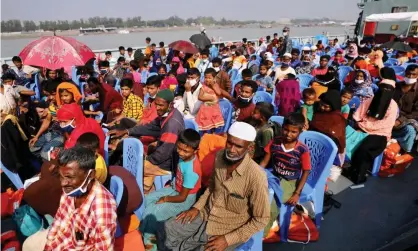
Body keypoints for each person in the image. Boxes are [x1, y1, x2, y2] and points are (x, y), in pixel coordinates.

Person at [157, 122, 270, 250]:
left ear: (249, 147)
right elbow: (211, 187)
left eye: (238, 146)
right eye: (230, 143)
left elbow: (261, 219)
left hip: (228, 229)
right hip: (206, 214)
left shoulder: (256, 177)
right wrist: (196, 207)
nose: (232, 150)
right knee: (166, 228)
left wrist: (228, 240)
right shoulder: (220, 156)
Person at [23, 146, 117, 251]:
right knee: (27, 244)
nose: (63, 183)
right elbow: (59, 220)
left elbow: (103, 248)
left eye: (69, 177)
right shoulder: (71, 190)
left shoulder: (102, 211)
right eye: (61, 176)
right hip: (65, 238)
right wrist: (49, 246)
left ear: (90, 175)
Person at [109, 89, 185, 194]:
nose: (157, 108)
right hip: (162, 154)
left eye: (161, 105)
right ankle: (144, 191)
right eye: (156, 104)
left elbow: (164, 153)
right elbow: (150, 127)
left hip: (166, 163)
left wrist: (147, 159)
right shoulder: (166, 114)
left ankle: (132, 194)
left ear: (170, 104)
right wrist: (127, 131)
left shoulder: (172, 124)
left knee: (133, 168)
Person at [140, 129, 202, 249]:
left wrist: (165, 198)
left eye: (185, 151)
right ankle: (146, 227)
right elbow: (178, 175)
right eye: (179, 148)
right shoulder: (184, 158)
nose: (180, 153)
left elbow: (182, 197)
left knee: (152, 213)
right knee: (148, 199)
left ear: (195, 151)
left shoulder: (192, 171)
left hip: (183, 200)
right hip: (175, 189)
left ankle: (150, 243)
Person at [259, 113, 310, 236]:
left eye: (293, 132)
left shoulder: (302, 150)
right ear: (282, 127)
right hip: (273, 176)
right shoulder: (275, 142)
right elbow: (265, 161)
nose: (288, 134)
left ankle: (260, 235)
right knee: (256, 195)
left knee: (270, 206)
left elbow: (306, 171)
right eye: (286, 130)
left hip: (289, 182)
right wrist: (257, 174)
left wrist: (297, 193)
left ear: (300, 131)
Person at [348, 68, 399, 184]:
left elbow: (386, 124)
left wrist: (366, 126)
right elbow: (359, 113)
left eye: (388, 89)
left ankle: (359, 175)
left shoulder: (393, 105)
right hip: (363, 127)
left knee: (364, 149)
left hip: (380, 133)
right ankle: (348, 166)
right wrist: (360, 124)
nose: (384, 91)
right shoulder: (371, 99)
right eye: (383, 88)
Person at [310, 90, 347, 165]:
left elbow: (336, 140)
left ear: (333, 106)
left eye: (326, 107)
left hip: (326, 151)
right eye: (321, 104)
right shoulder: (318, 112)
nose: (322, 108)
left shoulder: (337, 119)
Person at [392, 65, 418, 153]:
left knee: (410, 130)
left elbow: (416, 112)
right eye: (408, 74)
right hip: (391, 116)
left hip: (408, 118)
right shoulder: (396, 86)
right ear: (405, 73)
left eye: (413, 74)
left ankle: (405, 152)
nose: (410, 77)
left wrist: (400, 120)